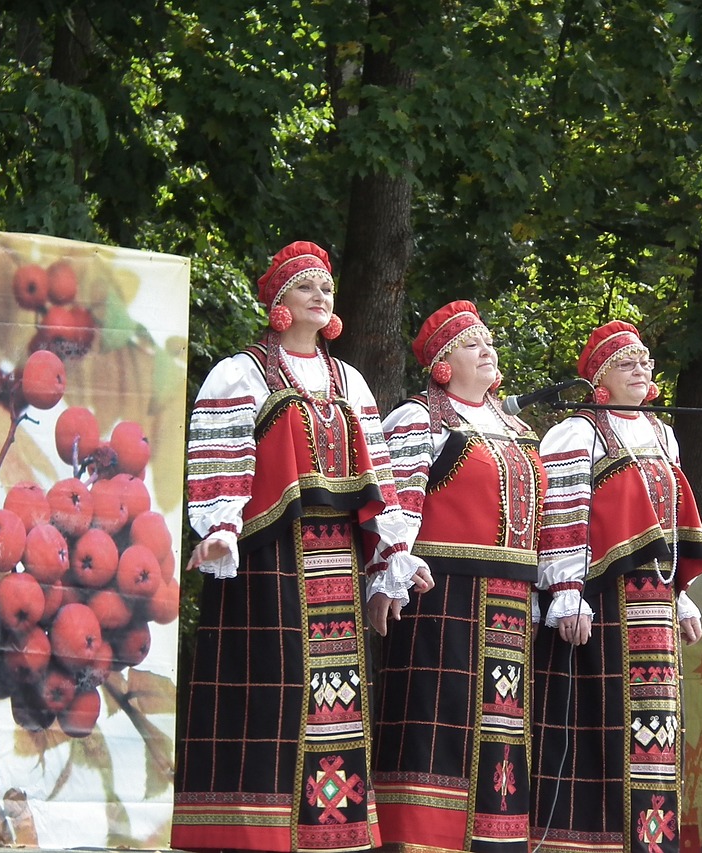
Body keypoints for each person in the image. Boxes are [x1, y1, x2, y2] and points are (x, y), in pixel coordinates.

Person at [172, 241, 434, 853]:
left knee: (334, 693)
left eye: (327, 287)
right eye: (307, 287)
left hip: (336, 556)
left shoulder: (351, 382)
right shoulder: (242, 372)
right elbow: (220, 455)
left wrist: (391, 557)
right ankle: (250, 831)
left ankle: (328, 833)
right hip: (270, 554)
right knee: (278, 686)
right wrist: (218, 529)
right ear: (279, 303)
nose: (322, 295)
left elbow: (380, 478)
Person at [530, 320, 702, 853]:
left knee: (655, 723)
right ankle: (593, 841)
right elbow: (562, 516)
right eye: (626, 361)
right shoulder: (579, 431)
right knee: (604, 718)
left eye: (645, 360)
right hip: (601, 600)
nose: (641, 367)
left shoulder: (662, 434)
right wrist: (569, 592)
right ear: (600, 378)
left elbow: (669, 526)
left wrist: (679, 597)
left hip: (653, 601)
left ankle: (651, 842)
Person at [370, 300, 546, 853]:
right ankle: (422, 839)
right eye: (473, 344)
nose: (488, 349)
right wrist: (387, 574)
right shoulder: (421, 418)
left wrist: (546, 590)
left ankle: (495, 840)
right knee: (438, 716)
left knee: (502, 725)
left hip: (510, 597)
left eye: (489, 341)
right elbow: (393, 500)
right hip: (442, 591)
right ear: (442, 363)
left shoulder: (516, 427)